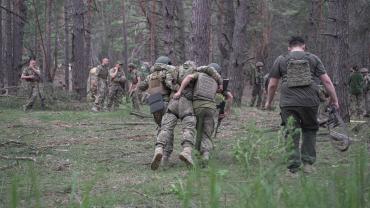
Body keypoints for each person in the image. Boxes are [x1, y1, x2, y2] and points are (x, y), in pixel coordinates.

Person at [265, 36, 339, 176]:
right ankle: (308, 164)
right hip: (309, 101)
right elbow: (327, 82)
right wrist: (334, 100)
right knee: (310, 129)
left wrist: (269, 102)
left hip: (288, 102)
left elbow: (273, 84)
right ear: (304, 46)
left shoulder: (281, 59)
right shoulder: (313, 58)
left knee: (291, 131)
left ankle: (292, 169)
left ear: (289, 47)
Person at [173, 63, 223, 163]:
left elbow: (188, 77)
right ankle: (205, 155)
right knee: (206, 133)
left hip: (198, 106)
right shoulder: (216, 81)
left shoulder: (198, 74)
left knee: (198, 129)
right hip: (211, 108)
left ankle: (194, 152)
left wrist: (179, 91)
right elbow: (219, 92)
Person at [139, 56, 177, 165]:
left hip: (154, 104)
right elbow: (171, 86)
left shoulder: (150, 76)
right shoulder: (165, 74)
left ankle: (158, 149)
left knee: (159, 128)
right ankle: (165, 156)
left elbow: (141, 87)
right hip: (165, 103)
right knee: (167, 129)